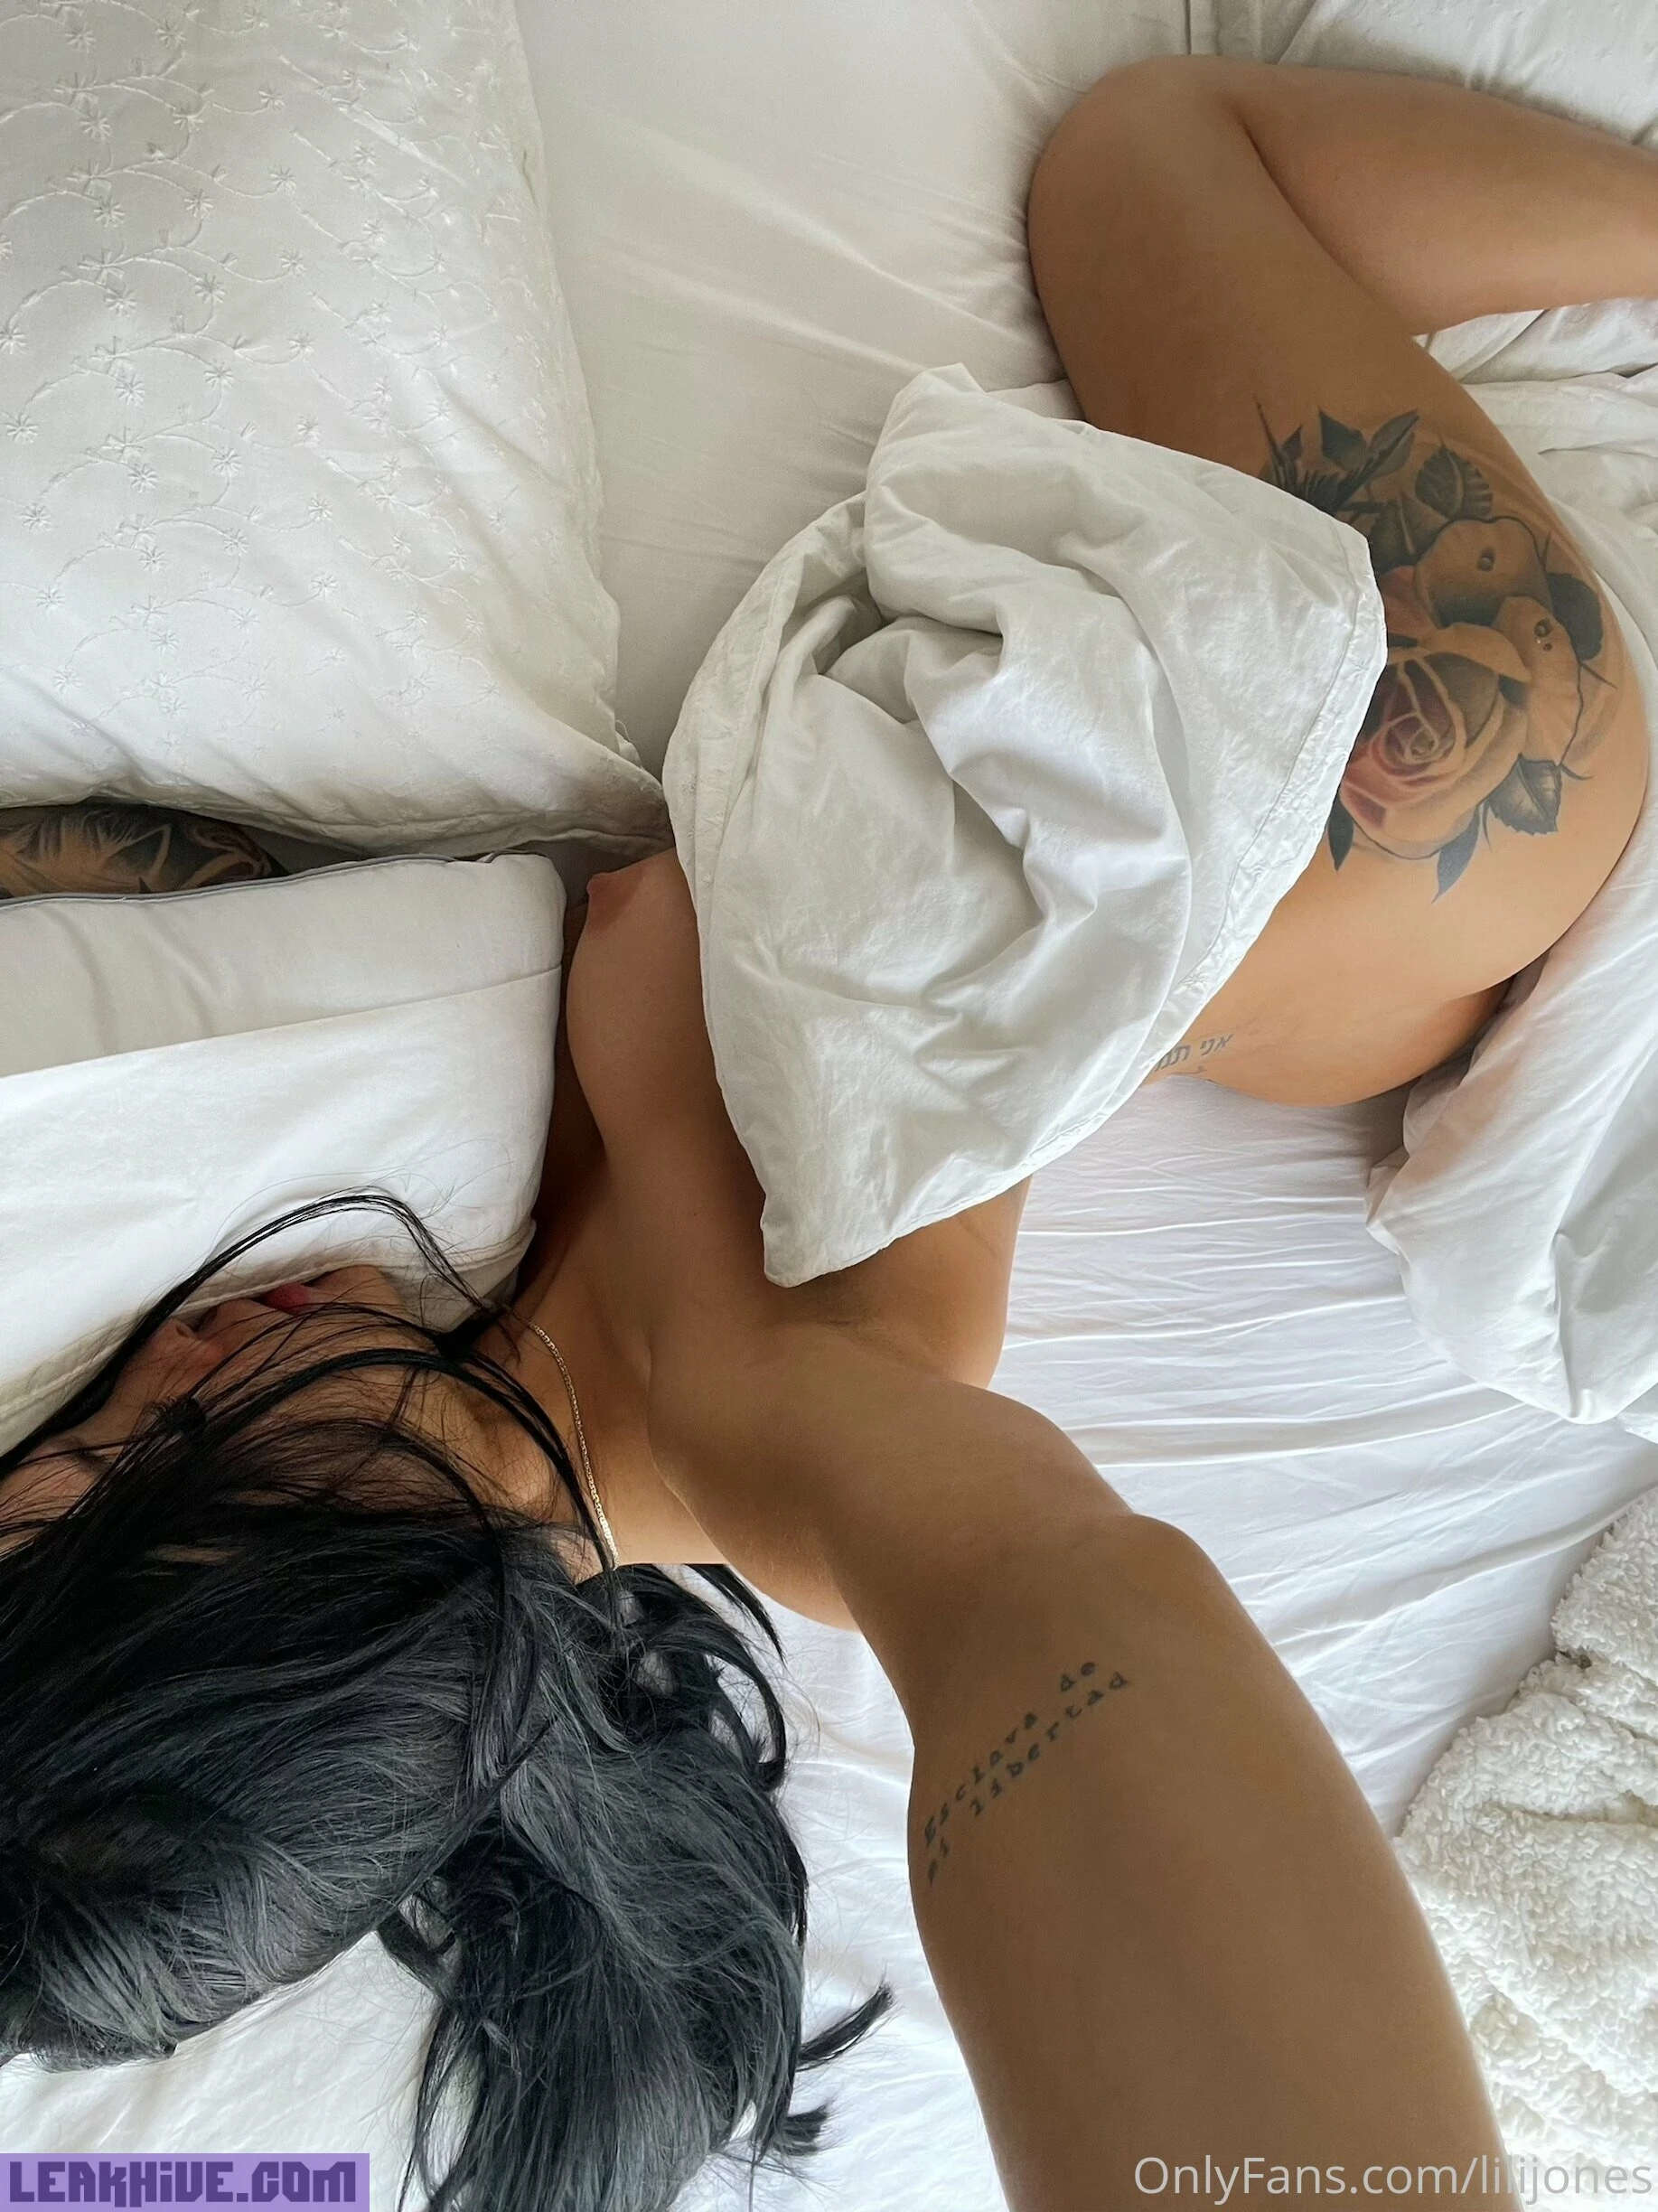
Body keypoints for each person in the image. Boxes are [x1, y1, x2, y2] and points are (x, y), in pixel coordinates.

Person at [4, 52, 1654, 2211]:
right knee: (1149, 156)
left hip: (1373, 901)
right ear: (334, 1613)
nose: (170, 1357)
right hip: (1425, 766)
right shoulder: (777, 1441)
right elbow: (1057, 1603)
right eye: (161, 1457)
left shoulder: (556, 1356)